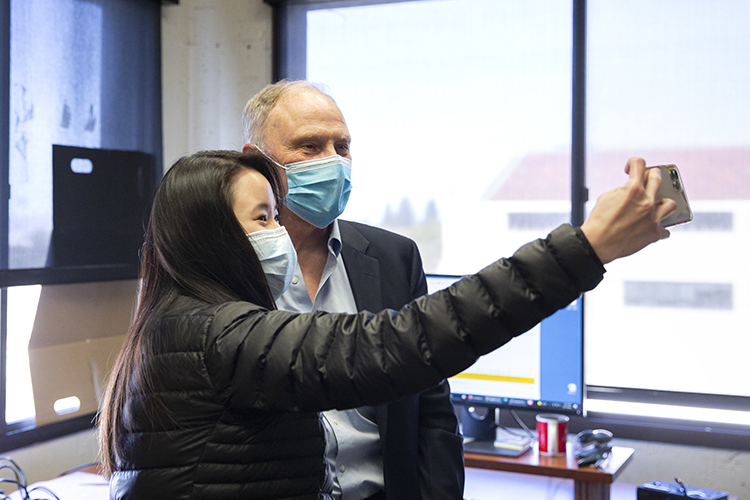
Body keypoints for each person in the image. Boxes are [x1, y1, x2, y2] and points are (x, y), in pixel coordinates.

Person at [98, 148, 674, 500]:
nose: (277, 232)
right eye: (262, 217)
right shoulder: (218, 333)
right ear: (211, 235)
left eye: (277, 214)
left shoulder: (174, 323)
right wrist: (585, 247)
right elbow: (403, 344)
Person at [241, 80, 465, 500]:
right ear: (256, 162)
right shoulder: (225, 266)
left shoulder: (394, 259)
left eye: (341, 147)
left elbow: (431, 411)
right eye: (309, 147)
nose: (333, 162)